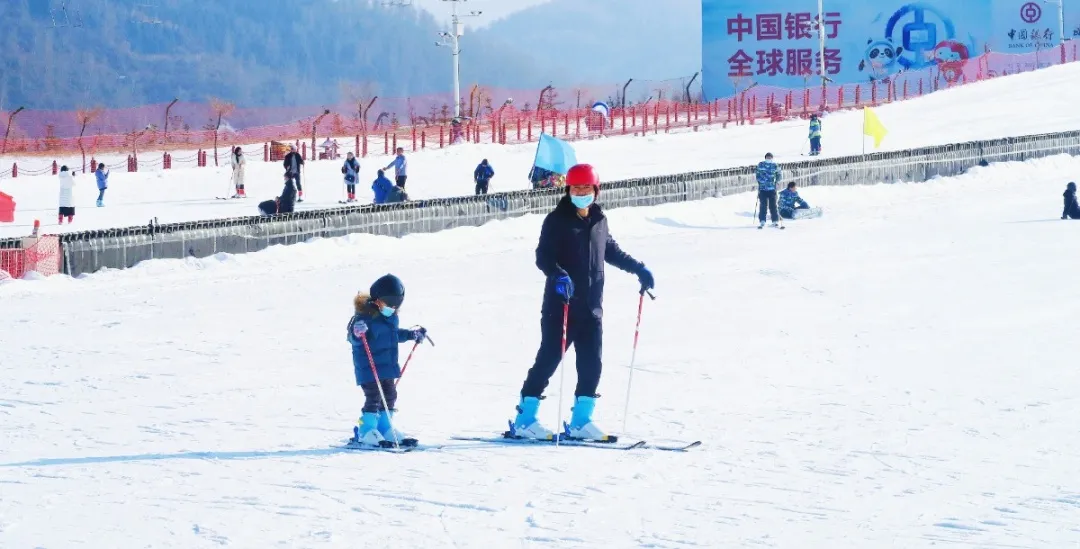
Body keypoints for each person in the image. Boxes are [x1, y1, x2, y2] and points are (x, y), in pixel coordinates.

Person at [510, 163, 655, 442]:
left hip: (591, 307)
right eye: (575, 187)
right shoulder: (556, 220)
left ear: (595, 190)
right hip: (561, 306)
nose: (580, 192)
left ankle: (581, 422)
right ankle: (525, 419)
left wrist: (638, 268)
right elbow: (543, 256)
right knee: (548, 360)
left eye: (585, 187)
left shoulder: (600, 220)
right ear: (568, 189)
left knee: (592, 364)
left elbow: (610, 251)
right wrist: (558, 274)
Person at [346, 274, 429, 447]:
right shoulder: (364, 317)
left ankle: (385, 428)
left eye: (396, 304)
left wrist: (411, 335)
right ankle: (366, 430)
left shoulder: (391, 317)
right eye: (388, 303)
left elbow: (393, 334)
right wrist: (357, 332)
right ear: (377, 300)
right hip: (369, 367)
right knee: (374, 397)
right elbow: (354, 337)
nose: (392, 307)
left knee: (390, 395)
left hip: (387, 366)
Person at [756, 152, 782, 228]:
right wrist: (760, 181)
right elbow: (757, 174)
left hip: (772, 189)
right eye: (767, 157)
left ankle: (775, 221)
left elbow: (779, 174)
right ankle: (762, 221)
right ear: (765, 158)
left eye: (770, 158)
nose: (769, 159)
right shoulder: (760, 164)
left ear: (772, 158)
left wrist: (777, 181)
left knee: (773, 205)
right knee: (763, 205)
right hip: (763, 189)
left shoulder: (775, 165)